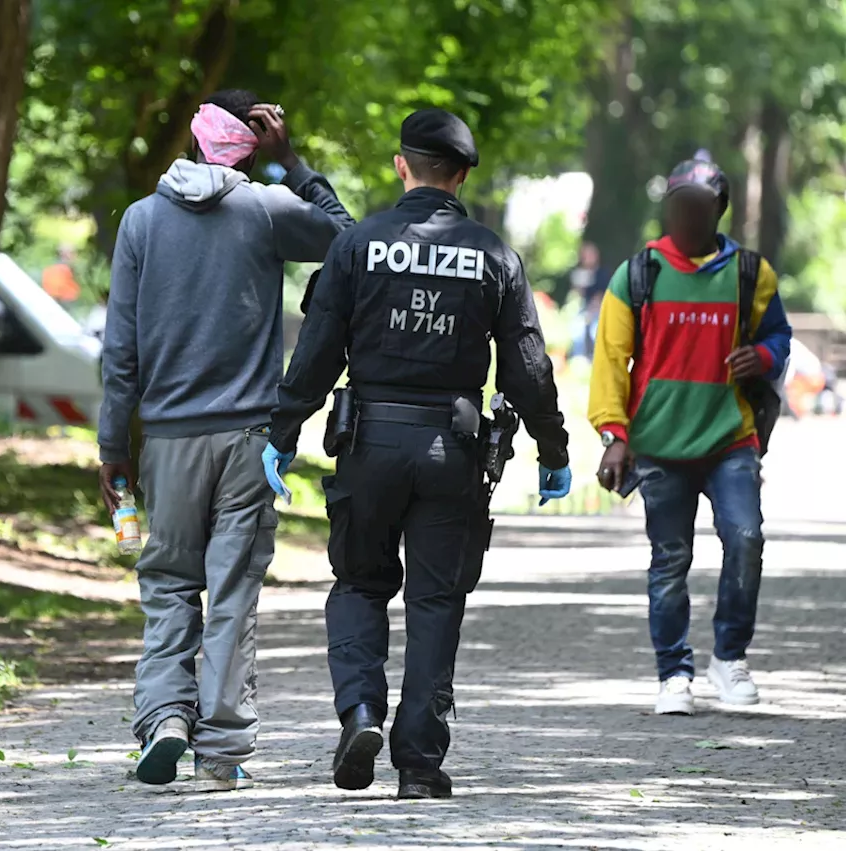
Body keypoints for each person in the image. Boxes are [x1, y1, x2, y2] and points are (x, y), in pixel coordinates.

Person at [264, 108, 571, 800]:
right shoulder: (493, 255)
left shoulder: (358, 245)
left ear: (402, 166)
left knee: (359, 583)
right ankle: (420, 764)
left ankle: (361, 711)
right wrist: (554, 449)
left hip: (369, 442)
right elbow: (526, 367)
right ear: (461, 177)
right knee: (436, 600)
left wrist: (281, 433)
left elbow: (315, 354)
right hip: (452, 452)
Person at [98, 89, 354, 791]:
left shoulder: (141, 221)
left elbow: (120, 347)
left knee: (168, 584)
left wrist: (112, 445)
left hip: (167, 441)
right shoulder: (267, 212)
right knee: (233, 590)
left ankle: (165, 718)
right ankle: (221, 752)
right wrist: (293, 162)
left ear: (191, 136)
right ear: (253, 142)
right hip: (247, 438)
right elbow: (349, 237)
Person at [589, 158, 791, 716]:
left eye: (695, 205)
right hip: (659, 445)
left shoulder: (751, 273)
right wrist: (614, 433)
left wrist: (766, 355)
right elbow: (611, 361)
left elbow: (779, 335)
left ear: (717, 210)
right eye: (676, 203)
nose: (683, 214)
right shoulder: (638, 274)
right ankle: (673, 674)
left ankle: (729, 658)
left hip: (731, 437)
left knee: (745, 538)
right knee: (670, 559)